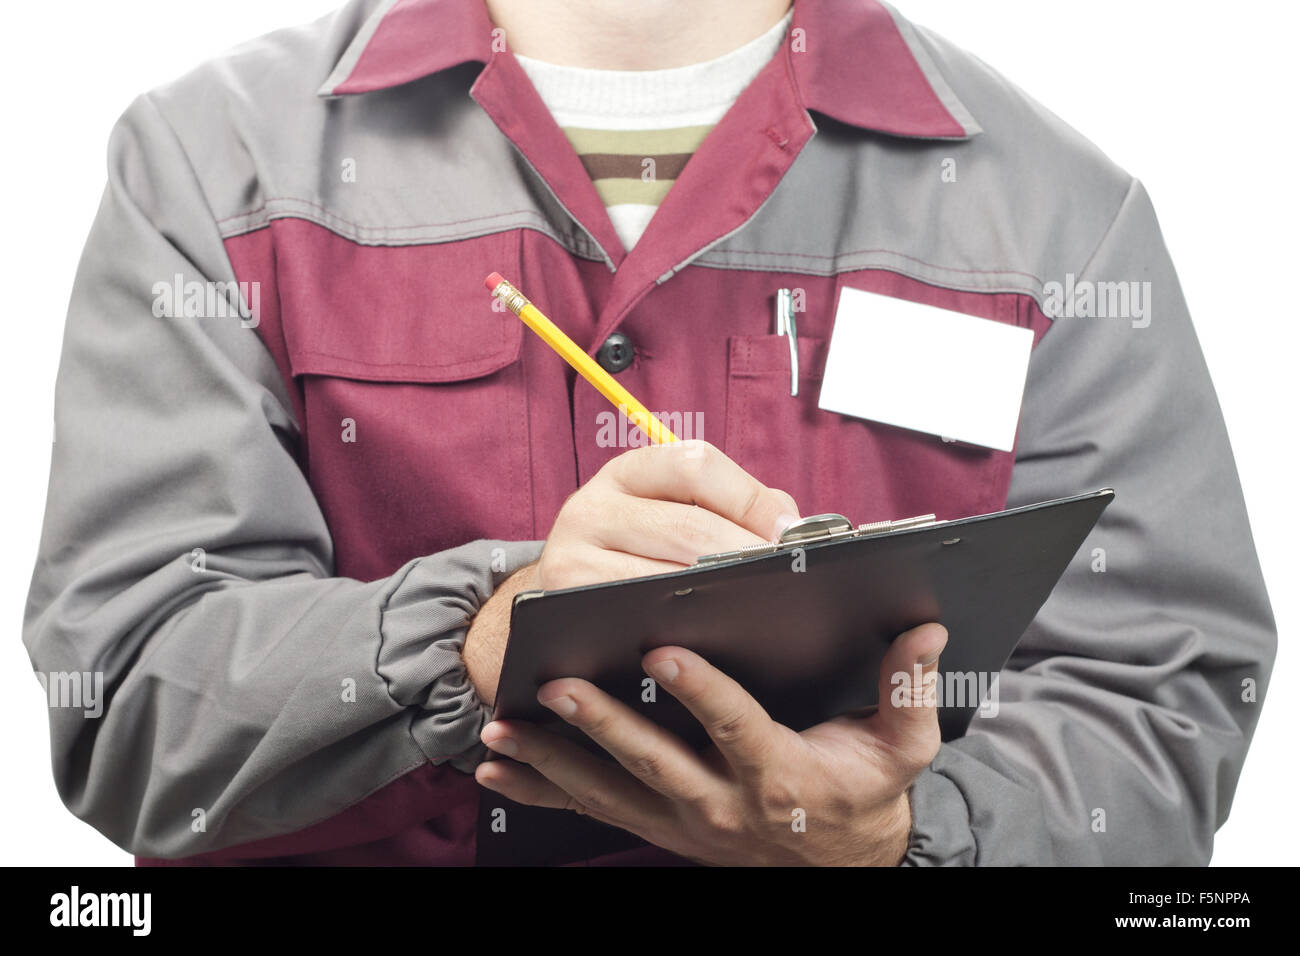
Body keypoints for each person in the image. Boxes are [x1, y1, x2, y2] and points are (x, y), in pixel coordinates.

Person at [24, 0, 1275, 866]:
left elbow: (1164, 693)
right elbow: (127, 700)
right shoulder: (211, 166)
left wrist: (898, 841)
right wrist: (474, 638)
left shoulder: (1055, 217)